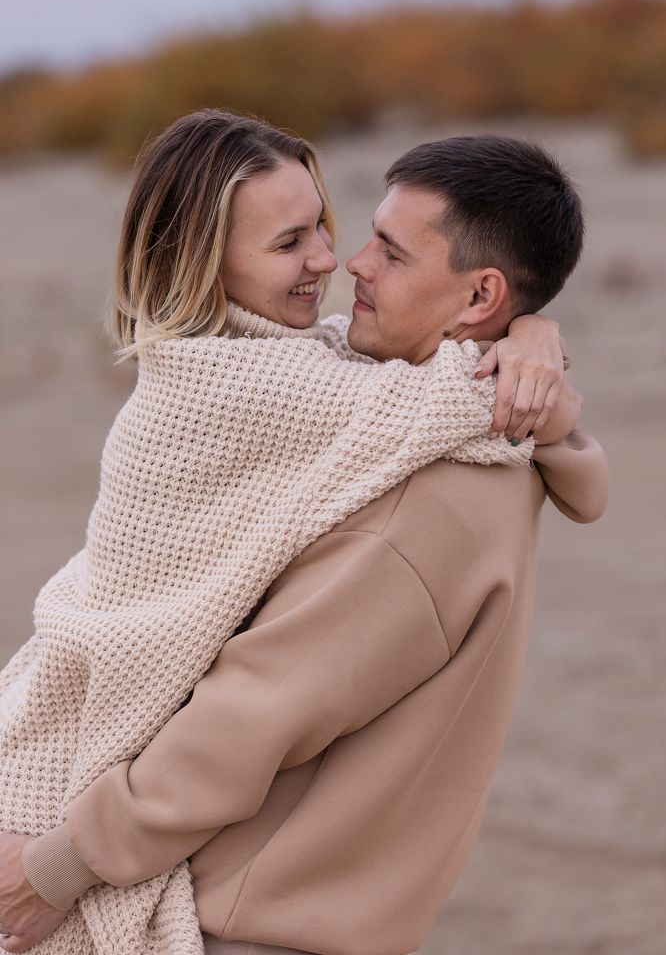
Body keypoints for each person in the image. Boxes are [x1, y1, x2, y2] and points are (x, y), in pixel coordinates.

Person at [0, 114, 606, 955]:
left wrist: (57, 866)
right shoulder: (384, 412)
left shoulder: (427, 490)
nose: (342, 261)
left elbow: (247, 720)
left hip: (240, 917)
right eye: (301, 239)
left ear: (480, 295)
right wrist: (528, 338)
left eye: (388, 252)